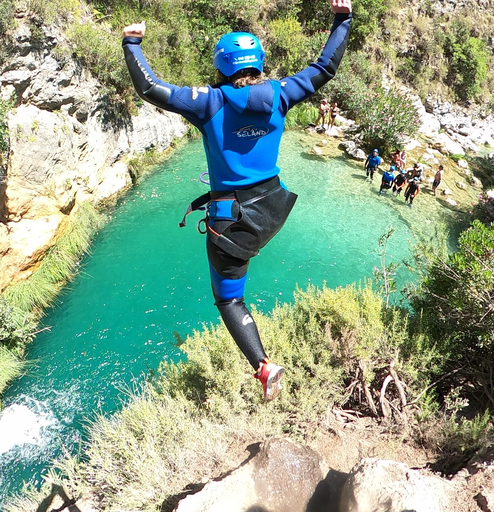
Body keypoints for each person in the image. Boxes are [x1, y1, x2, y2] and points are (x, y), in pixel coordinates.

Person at [122, 0, 353, 402]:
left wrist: (133, 43)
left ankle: (264, 367)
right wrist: (343, 19)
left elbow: (149, 88)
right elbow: (324, 68)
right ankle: (264, 364)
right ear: (259, 62)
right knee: (239, 273)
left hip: (233, 221)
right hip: (273, 209)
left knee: (228, 298)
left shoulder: (209, 102)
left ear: (221, 65)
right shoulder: (281, 94)